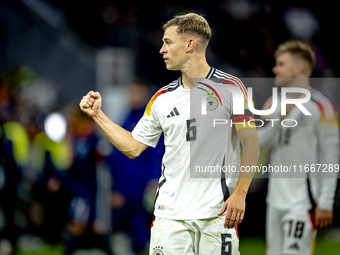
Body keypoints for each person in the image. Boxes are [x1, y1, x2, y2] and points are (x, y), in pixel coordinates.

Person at [80, 13, 260, 255]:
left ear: (190, 44)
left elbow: (251, 145)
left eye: (168, 42)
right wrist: (99, 116)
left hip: (217, 216)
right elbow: (133, 147)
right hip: (170, 217)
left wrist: (240, 194)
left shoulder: (230, 88)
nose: (162, 49)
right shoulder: (161, 98)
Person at [257, 40, 339, 255]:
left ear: (298, 68)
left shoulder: (322, 107)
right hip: (274, 201)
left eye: (281, 64)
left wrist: (325, 203)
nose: (275, 69)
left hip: (303, 203)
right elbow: (260, 145)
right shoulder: (272, 103)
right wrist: (277, 118)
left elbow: (331, 158)